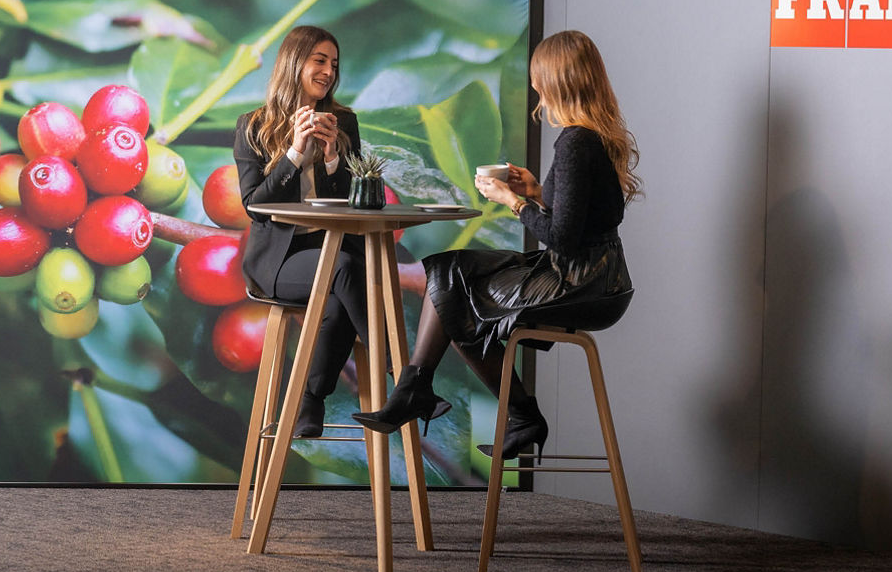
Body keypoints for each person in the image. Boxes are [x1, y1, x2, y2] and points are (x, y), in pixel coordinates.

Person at [353, 30, 640, 461]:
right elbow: (587, 218)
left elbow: (561, 236)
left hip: (580, 283)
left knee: (454, 289)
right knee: (449, 274)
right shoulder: (593, 135)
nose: (534, 85)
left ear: (555, 80)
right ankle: (422, 389)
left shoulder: (576, 142)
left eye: (538, 77)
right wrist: (539, 192)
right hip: (599, 276)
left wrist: (512, 201)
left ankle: (443, 396)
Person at [233, 24, 367, 439]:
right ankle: (396, 369)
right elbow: (256, 207)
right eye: (320, 60)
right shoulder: (253, 126)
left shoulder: (344, 121)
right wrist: (293, 153)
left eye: (334, 64)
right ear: (295, 63)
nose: (329, 71)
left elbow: (355, 201)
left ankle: (311, 402)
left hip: (326, 250)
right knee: (344, 270)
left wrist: (331, 159)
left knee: (338, 302)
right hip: (278, 261)